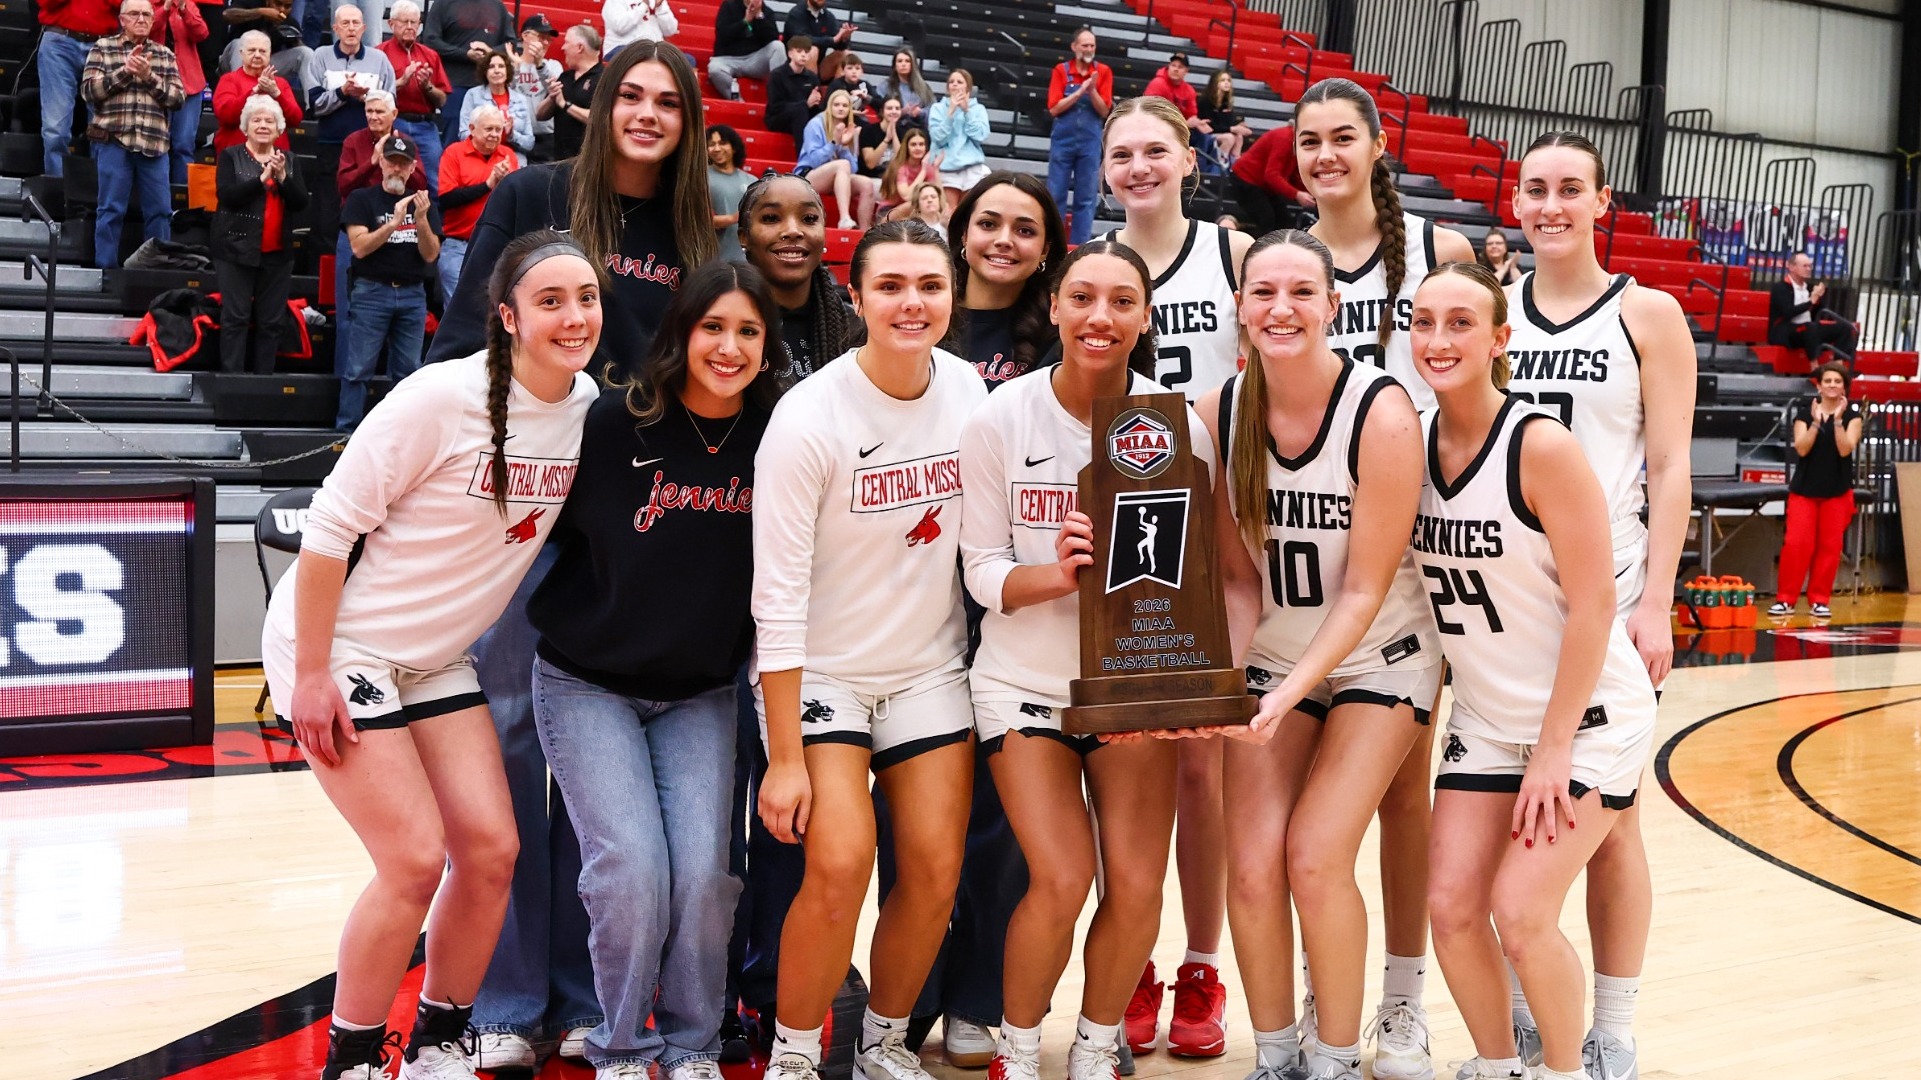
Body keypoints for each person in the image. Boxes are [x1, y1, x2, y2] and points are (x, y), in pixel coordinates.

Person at [266, 229, 600, 1080]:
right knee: (413, 859)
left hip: (435, 657)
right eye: (551, 301)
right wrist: (308, 676)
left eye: (586, 298)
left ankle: (440, 1039)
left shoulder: (584, 403)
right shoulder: (437, 398)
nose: (573, 316)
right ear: (507, 317)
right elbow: (328, 533)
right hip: (341, 643)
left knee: (491, 851)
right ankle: (352, 1058)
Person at [957, 238, 1213, 1080]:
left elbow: (1198, 581)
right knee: (1061, 877)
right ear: (1056, 308)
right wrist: (1056, 573)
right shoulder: (1001, 417)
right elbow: (982, 572)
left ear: (1143, 318)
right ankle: (1018, 1050)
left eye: (1120, 302)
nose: (1100, 317)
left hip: (1128, 686)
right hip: (1023, 685)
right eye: (1082, 299)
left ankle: (1096, 1046)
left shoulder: (1177, 429)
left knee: (1137, 885)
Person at [528, 260, 787, 1080]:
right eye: (713, 326)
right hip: (585, 681)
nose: (729, 346)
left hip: (700, 693)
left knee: (708, 877)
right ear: (681, 332)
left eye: (749, 331)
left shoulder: (778, 439)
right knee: (632, 871)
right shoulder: (612, 424)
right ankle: (619, 1047)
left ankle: (691, 1042)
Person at [1411, 260, 1657, 1080]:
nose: (1438, 340)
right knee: (1448, 910)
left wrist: (1552, 751)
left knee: (1518, 913)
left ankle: (1562, 1070)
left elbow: (1593, 608)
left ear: (1498, 339)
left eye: (1459, 323)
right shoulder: (1406, 443)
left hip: (1585, 717)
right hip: (1484, 718)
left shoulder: (1539, 445)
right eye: (1422, 323)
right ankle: (1496, 1064)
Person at [752, 221, 987, 1080]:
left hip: (928, 669)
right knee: (842, 860)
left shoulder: (972, 396)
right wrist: (784, 756)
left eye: (928, 284)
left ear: (951, 296)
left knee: (933, 870)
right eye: (890, 285)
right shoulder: (807, 416)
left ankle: (884, 1042)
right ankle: (792, 1053)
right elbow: (773, 598)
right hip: (824, 674)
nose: (910, 301)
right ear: (856, 297)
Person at [1202, 229, 1436, 1080]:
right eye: (1263, 292)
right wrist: (1226, 687)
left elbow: (1365, 590)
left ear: (1333, 306)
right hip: (1273, 660)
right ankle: (1275, 1057)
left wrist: (1282, 692)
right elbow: (1234, 581)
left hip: (1381, 657)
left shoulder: (1380, 410)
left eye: (1301, 292)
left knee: (1313, 853)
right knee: (1254, 866)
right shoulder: (1220, 409)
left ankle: (1335, 1057)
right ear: (1239, 306)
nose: (1280, 308)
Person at [1501, 132, 1696, 1080]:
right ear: (1514, 203)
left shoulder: (1648, 315)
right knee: (1512, 799)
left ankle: (1609, 1027)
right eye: (1534, 189)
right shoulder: (1491, 314)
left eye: (1568, 189)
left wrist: (1656, 599)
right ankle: (1533, 1007)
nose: (1549, 205)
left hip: (1610, 602)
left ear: (1601, 200)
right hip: (1507, 606)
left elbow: (1666, 466)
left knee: (1614, 819)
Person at [1092, 97, 1252, 1063]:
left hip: (1220, 519)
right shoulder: (1094, 262)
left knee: (1201, 764)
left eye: (1156, 149)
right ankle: (1130, 964)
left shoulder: (1231, 258)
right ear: (1104, 168)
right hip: (1125, 520)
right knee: (1123, 766)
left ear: (1189, 158)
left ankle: (1198, 963)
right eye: (1122, 154)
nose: (1140, 166)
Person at [430, 38, 715, 378]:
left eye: (669, 103)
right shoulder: (529, 194)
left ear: (688, 122)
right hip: (529, 425)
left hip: (638, 427)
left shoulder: (690, 226)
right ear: (605, 105)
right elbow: (462, 342)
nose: (647, 115)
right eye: (630, 96)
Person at [338, 134, 442, 432]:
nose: (397, 169)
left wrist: (420, 219)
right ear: (381, 162)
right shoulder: (362, 199)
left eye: (403, 164)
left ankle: (402, 433)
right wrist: (394, 223)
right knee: (358, 368)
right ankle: (346, 431)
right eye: (392, 161)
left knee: (409, 372)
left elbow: (431, 254)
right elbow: (359, 247)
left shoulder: (423, 203)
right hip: (372, 290)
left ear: (412, 168)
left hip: (412, 294)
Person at [82, 0, 185, 270]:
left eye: (146, 14)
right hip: (114, 140)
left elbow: (178, 99)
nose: (141, 18)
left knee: (160, 212)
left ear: (153, 21)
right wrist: (126, 72)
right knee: (111, 209)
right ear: (122, 19)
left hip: (154, 144)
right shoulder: (103, 48)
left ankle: (156, 273)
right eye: (134, 14)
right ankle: (105, 271)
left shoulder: (165, 55)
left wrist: (148, 75)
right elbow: (89, 92)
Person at [212, 95, 307, 375]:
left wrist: (282, 179)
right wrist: (261, 180)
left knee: (271, 321)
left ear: (279, 129)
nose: (263, 125)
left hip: (278, 253)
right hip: (235, 250)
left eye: (269, 121)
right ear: (245, 127)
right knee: (236, 317)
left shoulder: (289, 160)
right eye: (257, 120)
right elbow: (227, 196)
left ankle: (263, 381)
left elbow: (301, 203)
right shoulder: (231, 156)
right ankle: (232, 380)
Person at [945, 171, 1065, 387]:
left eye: (1025, 231)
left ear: (1045, 249)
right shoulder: (920, 312)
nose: (1004, 240)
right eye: (988, 224)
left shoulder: (1061, 334)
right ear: (964, 234)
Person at [303, 5, 395, 278]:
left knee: (371, 216)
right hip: (332, 147)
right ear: (336, 29)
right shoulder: (320, 56)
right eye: (346, 23)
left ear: (365, 28)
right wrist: (343, 92)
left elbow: (390, 104)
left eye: (357, 23)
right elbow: (316, 105)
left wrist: (367, 98)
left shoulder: (379, 60)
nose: (352, 28)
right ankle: (324, 294)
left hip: (371, 147)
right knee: (325, 219)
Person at [336, 90, 424, 354]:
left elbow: (421, 184)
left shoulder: (405, 142)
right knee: (347, 313)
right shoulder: (354, 141)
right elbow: (343, 186)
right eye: (369, 111)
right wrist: (374, 160)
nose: (373, 117)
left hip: (400, 229)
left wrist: (399, 161)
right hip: (357, 224)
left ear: (394, 114)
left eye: (379, 112)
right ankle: (345, 380)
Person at [1772, 361, 1862, 619]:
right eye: (1828, 381)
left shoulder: (1853, 415)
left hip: (1837, 490)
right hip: (1804, 490)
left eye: (1837, 381)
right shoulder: (1804, 411)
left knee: (1829, 547)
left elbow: (1846, 448)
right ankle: (1786, 599)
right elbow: (1801, 448)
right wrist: (1815, 423)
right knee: (1796, 544)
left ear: (1844, 386)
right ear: (1819, 385)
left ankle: (1820, 600)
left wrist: (1835, 422)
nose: (1832, 385)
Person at [438, 105, 518, 300]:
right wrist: (488, 185)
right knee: (458, 308)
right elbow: (446, 199)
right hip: (459, 245)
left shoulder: (508, 155)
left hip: (497, 244)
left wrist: (505, 185)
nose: (494, 134)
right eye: (488, 129)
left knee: (495, 308)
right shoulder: (454, 153)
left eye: (498, 129)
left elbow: (517, 202)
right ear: (472, 128)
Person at [37, 0, 120, 178]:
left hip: (102, 45)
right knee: (55, 128)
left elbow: (125, 5)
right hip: (59, 41)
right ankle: (58, 194)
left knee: (102, 127)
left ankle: (98, 195)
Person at [1045, 28, 1112, 246]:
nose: (1089, 49)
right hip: (1063, 139)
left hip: (1090, 141)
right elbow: (1054, 108)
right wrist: (1080, 91)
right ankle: (1054, 243)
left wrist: (1092, 90)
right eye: (1085, 45)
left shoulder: (1103, 71)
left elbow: (1104, 111)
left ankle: (1080, 245)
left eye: (1092, 45)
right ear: (1074, 47)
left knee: (1086, 196)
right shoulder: (1061, 70)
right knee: (1055, 193)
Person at [379, 1, 452, 191]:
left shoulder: (430, 55)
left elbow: (442, 99)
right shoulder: (380, 53)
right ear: (391, 24)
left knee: (434, 180)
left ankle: (432, 220)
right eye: (405, 22)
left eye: (415, 23)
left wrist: (427, 86)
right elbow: (374, 94)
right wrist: (401, 82)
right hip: (394, 123)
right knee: (391, 175)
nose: (411, 27)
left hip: (425, 125)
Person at [420, 0, 511, 147]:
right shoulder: (443, 4)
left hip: (488, 88)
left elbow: (511, 45)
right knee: (453, 139)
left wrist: (489, 52)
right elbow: (430, 40)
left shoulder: (497, 6)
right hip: (453, 85)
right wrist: (465, 54)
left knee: (490, 139)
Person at [796, 89, 877, 230]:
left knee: (867, 184)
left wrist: (845, 146)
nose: (840, 108)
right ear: (830, 106)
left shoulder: (850, 128)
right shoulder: (815, 124)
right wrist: (834, 143)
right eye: (837, 104)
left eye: (845, 106)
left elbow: (853, 169)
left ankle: (865, 232)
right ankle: (845, 218)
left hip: (837, 178)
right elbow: (815, 160)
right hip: (808, 176)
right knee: (842, 165)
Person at [213, 30, 302, 155]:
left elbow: (295, 119)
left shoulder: (280, 84)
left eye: (262, 51)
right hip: (236, 157)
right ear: (241, 53)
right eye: (251, 50)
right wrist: (254, 91)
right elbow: (226, 115)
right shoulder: (229, 80)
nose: (257, 55)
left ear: (270, 54)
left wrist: (277, 94)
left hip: (274, 158)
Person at [149, 0, 208, 184]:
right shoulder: (144, 4)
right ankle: (158, 198)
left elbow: (202, 33)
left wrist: (183, 9)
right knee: (156, 146)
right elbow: (146, 31)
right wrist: (166, 8)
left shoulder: (187, 4)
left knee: (184, 146)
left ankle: (182, 199)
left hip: (188, 84)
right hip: (154, 85)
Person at [1769, 250, 1858, 364]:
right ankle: (1814, 366)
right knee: (1810, 327)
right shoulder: (1780, 288)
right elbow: (1788, 312)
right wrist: (1811, 301)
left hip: (1808, 330)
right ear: (1792, 267)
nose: (1808, 269)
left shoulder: (1809, 288)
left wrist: (1818, 300)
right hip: (1788, 331)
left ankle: (1838, 365)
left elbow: (1817, 314)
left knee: (1844, 328)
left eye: (1810, 266)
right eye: (1805, 266)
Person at [1229, 127, 1310, 236]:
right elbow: (1272, 175)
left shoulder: (1296, 142)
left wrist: (1310, 192)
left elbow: (1291, 176)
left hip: (1263, 185)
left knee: (1285, 223)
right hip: (1246, 178)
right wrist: (1297, 194)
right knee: (1267, 221)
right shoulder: (1284, 139)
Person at [540, 23, 602, 161]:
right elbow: (540, 115)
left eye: (567, 42)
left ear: (580, 47)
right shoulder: (565, 77)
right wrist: (551, 97)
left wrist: (564, 104)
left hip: (587, 162)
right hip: (558, 159)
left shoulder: (604, 78)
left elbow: (598, 118)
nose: (562, 48)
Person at [929, 70, 989, 211]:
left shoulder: (979, 109)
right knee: (950, 211)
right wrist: (950, 113)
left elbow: (981, 135)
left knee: (969, 211)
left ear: (968, 87)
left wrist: (967, 112)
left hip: (972, 166)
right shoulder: (937, 108)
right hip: (947, 166)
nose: (955, 85)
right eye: (952, 82)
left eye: (959, 82)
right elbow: (938, 137)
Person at [460, 50, 534, 158]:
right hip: (480, 158)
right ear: (485, 72)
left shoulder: (520, 99)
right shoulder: (472, 95)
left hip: (514, 159)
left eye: (501, 66)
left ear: (507, 71)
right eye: (491, 67)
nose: (496, 71)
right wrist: (488, 136)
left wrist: (511, 135)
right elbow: (463, 134)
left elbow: (529, 143)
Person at [706, 0, 784, 101]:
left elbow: (772, 38)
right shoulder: (729, 6)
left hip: (755, 60)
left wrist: (759, 16)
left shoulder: (767, 12)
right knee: (714, 68)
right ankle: (738, 101)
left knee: (778, 46)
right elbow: (722, 35)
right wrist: (745, 21)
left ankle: (778, 99)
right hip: (728, 59)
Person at [508, 15, 560, 162]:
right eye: (540, 37)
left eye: (548, 39)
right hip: (516, 134)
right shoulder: (511, 63)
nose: (545, 43)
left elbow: (555, 91)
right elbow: (505, 94)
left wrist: (539, 65)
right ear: (525, 36)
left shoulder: (553, 65)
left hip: (545, 137)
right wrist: (516, 69)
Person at [220, 0, 310, 81]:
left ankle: (315, 96)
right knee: (240, 43)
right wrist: (260, 12)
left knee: (305, 52)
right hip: (232, 60)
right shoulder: (252, 3)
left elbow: (299, 47)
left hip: (265, 66)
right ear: (268, 1)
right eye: (278, 4)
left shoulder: (289, 22)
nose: (282, 9)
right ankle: (241, 90)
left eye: (287, 6)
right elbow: (227, 14)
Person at [766, 35, 823, 147]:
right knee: (800, 111)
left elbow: (815, 108)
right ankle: (804, 160)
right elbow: (776, 106)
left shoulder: (812, 78)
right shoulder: (777, 75)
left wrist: (817, 102)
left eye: (806, 52)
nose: (803, 55)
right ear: (790, 54)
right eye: (799, 51)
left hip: (803, 118)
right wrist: (805, 104)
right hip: (778, 119)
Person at [707, 125, 754, 259]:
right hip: (716, 262)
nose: (717, 149)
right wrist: (734, 218)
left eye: (722, 143)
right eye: (711, 144)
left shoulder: (751, 180)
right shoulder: (701, 179)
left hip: (748, 263)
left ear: (734, 147)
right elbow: (698, 221)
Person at [879, 126, 938, 221]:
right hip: (889, 212)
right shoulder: (900, 166)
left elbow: (938, 196)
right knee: (914, 203)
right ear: (907, 147)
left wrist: (935, 169)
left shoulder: (929, 166)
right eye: (913, 145)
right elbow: (907, 196)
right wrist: (923, 171)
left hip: (914, 211)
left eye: (921, 144)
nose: (918, 148)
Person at [1197, 71, 1251, 170]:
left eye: (1228, 80)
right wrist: (1233, 128)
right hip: (1206, 134)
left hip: (1221, 133)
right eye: (1222, 80)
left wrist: (1240, 127)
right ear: (1215, 83)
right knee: (1229, 138)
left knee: (1239, 137)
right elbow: (1211, 126)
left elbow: (1228, 124)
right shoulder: (1205, 101)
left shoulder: (1226, 102)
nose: (1226, 83)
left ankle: (1235, 167)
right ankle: (1219, 167)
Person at [602, 0, 677, 57]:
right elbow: (619, 26)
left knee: (687, 60)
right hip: (622, 48)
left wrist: (660, 8)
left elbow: (670, 31)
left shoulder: (658, 2)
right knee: (645, 56)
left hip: (654, 49)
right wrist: (643, 6)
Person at [884, 49, 934, 131]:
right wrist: (900, 112)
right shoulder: (885, 86)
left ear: (913, 65)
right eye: (900, 61)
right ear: (895, 65)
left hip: (918, 129)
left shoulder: (924, 87)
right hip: (893, 129)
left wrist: (920, 112)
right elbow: (880, 110)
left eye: (907, 61)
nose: (903, 64)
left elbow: (933, 109)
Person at [859, 97, 902, 179]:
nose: (894, 111)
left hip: (895, 179)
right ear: (882, 112)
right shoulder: (868, 130)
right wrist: (886, 139)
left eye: (897, 108)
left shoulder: (904, 132)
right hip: (872, 178)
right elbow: (870, 164)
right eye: (889, 108)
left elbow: (902, 164)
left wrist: (894, 135)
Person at [782, 0, 854, 49]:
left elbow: (838, 45)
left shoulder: (828, 17)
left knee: (845, 54)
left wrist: (843, 38)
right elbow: (802, 40)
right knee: (813, 50)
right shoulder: (796, 14)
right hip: (793, 63)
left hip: (821, 63)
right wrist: (832, 40)